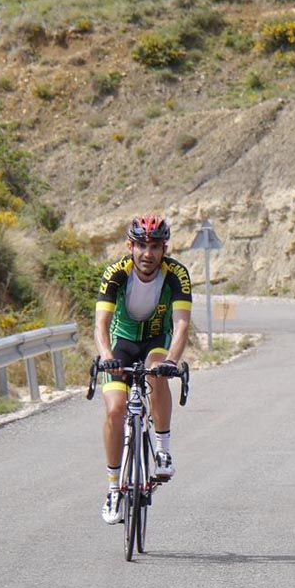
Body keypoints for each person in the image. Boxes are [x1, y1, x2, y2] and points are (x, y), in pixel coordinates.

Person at [94, 215, 193, 524]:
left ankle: (162, 450)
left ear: (164, 249)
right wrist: (107, 356)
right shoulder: (116, 273)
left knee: (156, 373)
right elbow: (100, 324)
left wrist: (171, 362)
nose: (147, 254)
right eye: (140, 246)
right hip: (121, 342)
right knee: (115, 410)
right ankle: (113, 488)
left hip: (156, 340)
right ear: (130, 246)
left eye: (154, 246)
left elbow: (181, 324)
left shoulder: (177, 274)